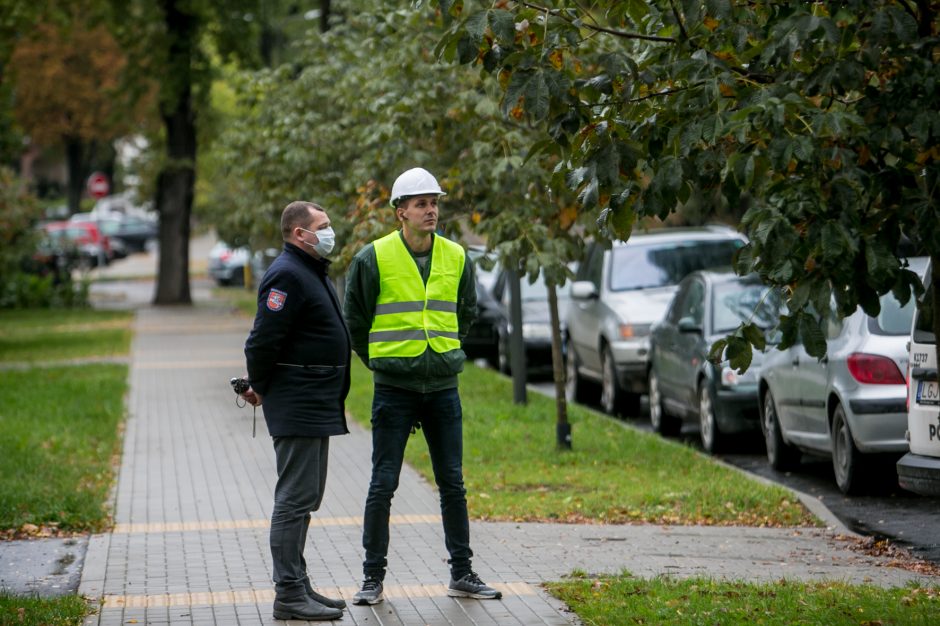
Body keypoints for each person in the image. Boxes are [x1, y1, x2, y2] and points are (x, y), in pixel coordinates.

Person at [344, 167, 502, 604]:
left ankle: (462, 573)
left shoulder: (455, 256)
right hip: (394, 387)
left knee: (452, 482)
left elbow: (465, 311)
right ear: (400, 213)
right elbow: (355, 320)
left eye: (434, 203)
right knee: (383, 483)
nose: (431, 210)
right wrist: (380, 360)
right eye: (421, 204)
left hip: (443, 387)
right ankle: (372, 578)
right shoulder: (372, 258)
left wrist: (444, 352)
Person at [239, 200, 350, 621]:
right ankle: (287, 593)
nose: (330, 231)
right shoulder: (287, 274)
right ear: (299, 233)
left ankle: (299, 584)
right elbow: (261, 341)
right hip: (299, 400)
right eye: (322, 225)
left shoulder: (310, 270)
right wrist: (260, 386)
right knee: (293, 498)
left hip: (314, 400)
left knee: (307, 497)